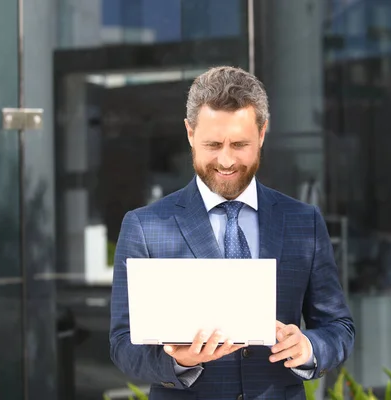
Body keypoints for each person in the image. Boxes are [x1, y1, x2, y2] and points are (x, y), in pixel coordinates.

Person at [109, 66, 355, 400]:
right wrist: (178, 361)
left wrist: (309, 347)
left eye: (239, 144)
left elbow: (339, 328)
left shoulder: (304, 221)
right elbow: (123, 344)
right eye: (213, 144)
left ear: (263, 133)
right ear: (189, 133)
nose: (226, 160)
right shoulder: (144, 226)